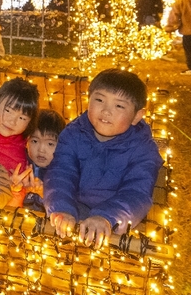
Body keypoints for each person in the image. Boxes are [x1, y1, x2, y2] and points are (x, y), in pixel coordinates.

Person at [44, 69, 162, 249]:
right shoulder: (73, 133)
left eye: (119, 106)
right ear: (88, 100)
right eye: (99, 100)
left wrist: (107, 217)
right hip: (74, 206)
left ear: (137, 116)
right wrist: (62, 207)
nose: (106, 111)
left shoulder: (143, 149)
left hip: (117, 219)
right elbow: (61, 173)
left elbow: (137, 192)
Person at [0, 77, 39, 175]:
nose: (12, 122)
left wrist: (17, 188)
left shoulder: (20, 152)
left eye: (22, 118)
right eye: (8, 110)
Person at [18, 109, 65, 212]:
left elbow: (65, 206)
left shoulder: (62, 173)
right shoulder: (19, 164)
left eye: (50, 144)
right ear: (26, 141)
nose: (41, 149)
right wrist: (18, 189)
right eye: (35, 141)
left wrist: (45, 193)